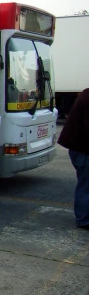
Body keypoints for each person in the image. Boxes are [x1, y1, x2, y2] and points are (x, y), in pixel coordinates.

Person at [57, 87, 89, 229]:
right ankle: (84, 219)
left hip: (79, 147)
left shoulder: (86, 94)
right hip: (82, 149)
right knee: (86, 185)